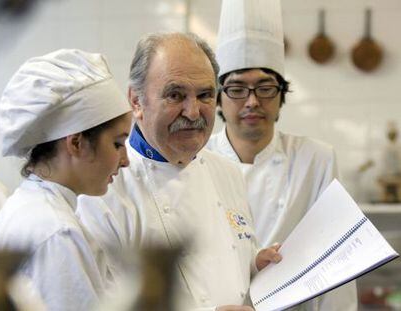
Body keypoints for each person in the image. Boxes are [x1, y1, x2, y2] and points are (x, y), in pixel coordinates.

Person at [77, 32, 281, 311]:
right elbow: (94, 303)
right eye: (176, 95)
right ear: (136, 101)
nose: (194, 112)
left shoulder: (227, 172)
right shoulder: (103, 188)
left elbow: (229, 268)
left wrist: (256, 265)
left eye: (205, 95)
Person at [206, 0, 358, 310]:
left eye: (265, 87)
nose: (252, 101)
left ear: (281, 96)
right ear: (219, 98)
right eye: (237, 89)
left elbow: (336, 259)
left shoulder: (316, 159)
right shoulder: (198, 160)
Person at [0, 49, 133, 311]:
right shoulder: (55, 232)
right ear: (76, 143)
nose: (125, 160)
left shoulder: (30, 206)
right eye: (117, 144)